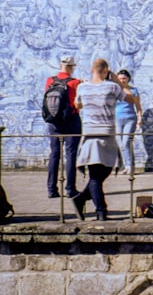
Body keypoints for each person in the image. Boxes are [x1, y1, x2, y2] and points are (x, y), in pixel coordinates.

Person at [71, 58, 136, 221]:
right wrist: (118, 82)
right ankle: (101, 211)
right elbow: (131, 99)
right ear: (106, 71)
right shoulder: (113, 87)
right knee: (96, 176)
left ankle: (81, 198)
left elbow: (77, 105)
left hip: (90, 134)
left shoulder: (82, 87)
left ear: (92, 70)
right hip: (106, 133)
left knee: (99, 173)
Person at [45, 55, 81, 199]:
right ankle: (70, 189)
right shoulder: (75, 82)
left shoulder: (50, 81)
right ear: (72, 67)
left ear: (60, 65)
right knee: (71, 154)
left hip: (54, 121)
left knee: (54, 154)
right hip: (71, 121)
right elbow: (77, 103)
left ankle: (51, 189)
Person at [114, 69, 144, 176]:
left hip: (130, 118)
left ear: (128, 79)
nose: (122, 80)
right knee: (120, 143)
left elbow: (138, 107)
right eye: (120, 79)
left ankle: (129, 166)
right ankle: (128, 166)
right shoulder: (115, 91)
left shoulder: (133, 91)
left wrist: (139, 118)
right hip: (117, 119)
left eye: (124, 78)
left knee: (125, 142)